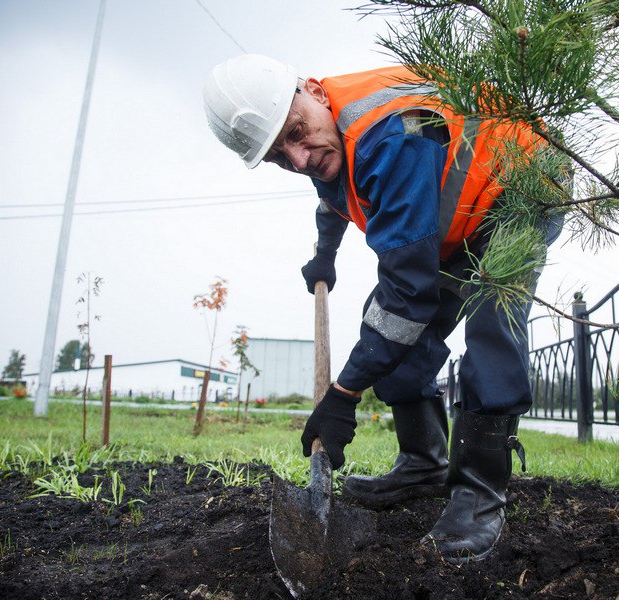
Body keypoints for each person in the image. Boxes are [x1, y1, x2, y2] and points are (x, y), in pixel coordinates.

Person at [203, 54, 564, 564]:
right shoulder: (322, 132)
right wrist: (323, 256)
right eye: (280, 157)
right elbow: (330, 193)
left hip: (518, 185)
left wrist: (343, 393)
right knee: (389, 328)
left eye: (296, 134)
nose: (300, 158)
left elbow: (410, 294)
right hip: (456, 206)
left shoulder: (387, 137)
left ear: (314, 91)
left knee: (490, 327)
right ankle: (423, 463)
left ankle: (480, 494)